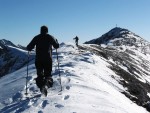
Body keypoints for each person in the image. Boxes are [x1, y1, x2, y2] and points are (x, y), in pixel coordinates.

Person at [26, 25, 59, 96]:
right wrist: (56, 42)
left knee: (40, 75)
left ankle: (41, 86)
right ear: (47, 30)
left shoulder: (36, 37)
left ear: (40, 30)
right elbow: (56, 46)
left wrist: (29, 48)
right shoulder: (50, 37)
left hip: (39, 60)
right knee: (48, 75)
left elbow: (29, 47)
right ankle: (46, 86)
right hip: (48, 59)